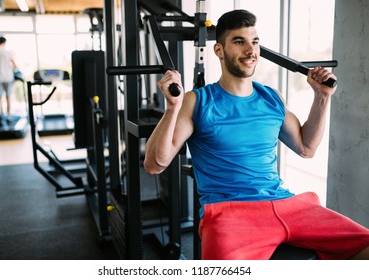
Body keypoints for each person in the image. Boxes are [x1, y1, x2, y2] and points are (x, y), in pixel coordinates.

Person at [143, 9, 369, 260]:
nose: (251, 51)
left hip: (288, 205)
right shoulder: (198, 101)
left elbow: (306, 148)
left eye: (255, 42)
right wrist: (172, 107)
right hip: (229, 213)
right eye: (239, 42)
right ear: (219, 50)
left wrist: (322, 97)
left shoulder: (272, 98)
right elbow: (154, 164)